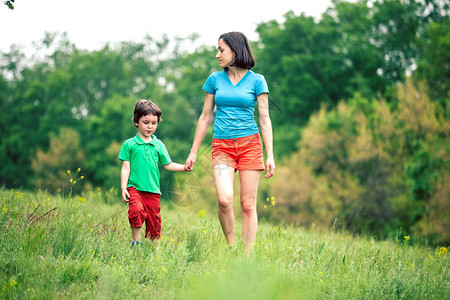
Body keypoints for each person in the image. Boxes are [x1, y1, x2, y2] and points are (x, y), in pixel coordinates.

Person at [185, 32, 275, 253]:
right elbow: (205, 117)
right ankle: (232, 249)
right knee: (224, 200)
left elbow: (264, 120)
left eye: (221, 50)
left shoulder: (257, 80)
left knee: (247, 204)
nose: (217, 55)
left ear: (236, 50)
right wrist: (193, 151)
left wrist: (270, 154)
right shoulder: (215, 80)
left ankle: (247, 257)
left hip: (250, 146)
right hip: (222, 147)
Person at [119, 99, 191, 247]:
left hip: (153, 191)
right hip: (135, 188)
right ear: (136, 122)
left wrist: (184, 167)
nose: (150, 126)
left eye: (154, 123)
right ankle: (136, 243)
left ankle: (153, 251)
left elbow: (168, 164)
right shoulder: (129, 144)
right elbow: (126, 167)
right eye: (146, 122)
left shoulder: (159, 145)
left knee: (154, 222)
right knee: (136, 211)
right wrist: (123, 187)